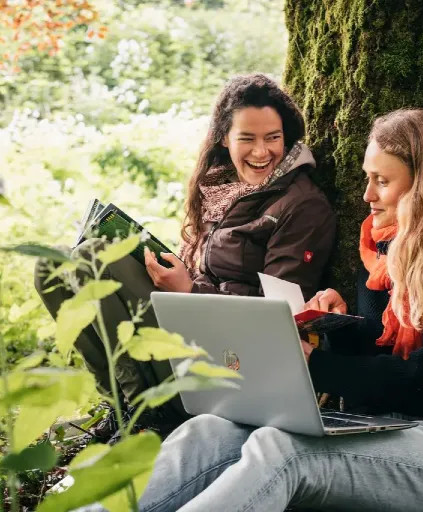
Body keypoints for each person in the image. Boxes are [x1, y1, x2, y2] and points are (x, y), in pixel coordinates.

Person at [93, 108, 423, 511]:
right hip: (387, 430)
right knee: (210, 430)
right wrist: (338, 327)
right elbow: (377, 364)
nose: (367, 195)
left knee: (284, 450)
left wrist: (315, 365)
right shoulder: (382, 257)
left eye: (382, 181)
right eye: (368, 178)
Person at [34, 74, 335, 436]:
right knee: (53, 264)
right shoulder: (219, 186)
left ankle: (147, 415)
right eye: (247, 138)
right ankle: (119, 404)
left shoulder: (301, 205)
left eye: (273, 138)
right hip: (188, 319)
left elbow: (278, 315)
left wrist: (190, 292)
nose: (261, 152)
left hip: (229, 354)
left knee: (97, 256)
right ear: (224, 138)